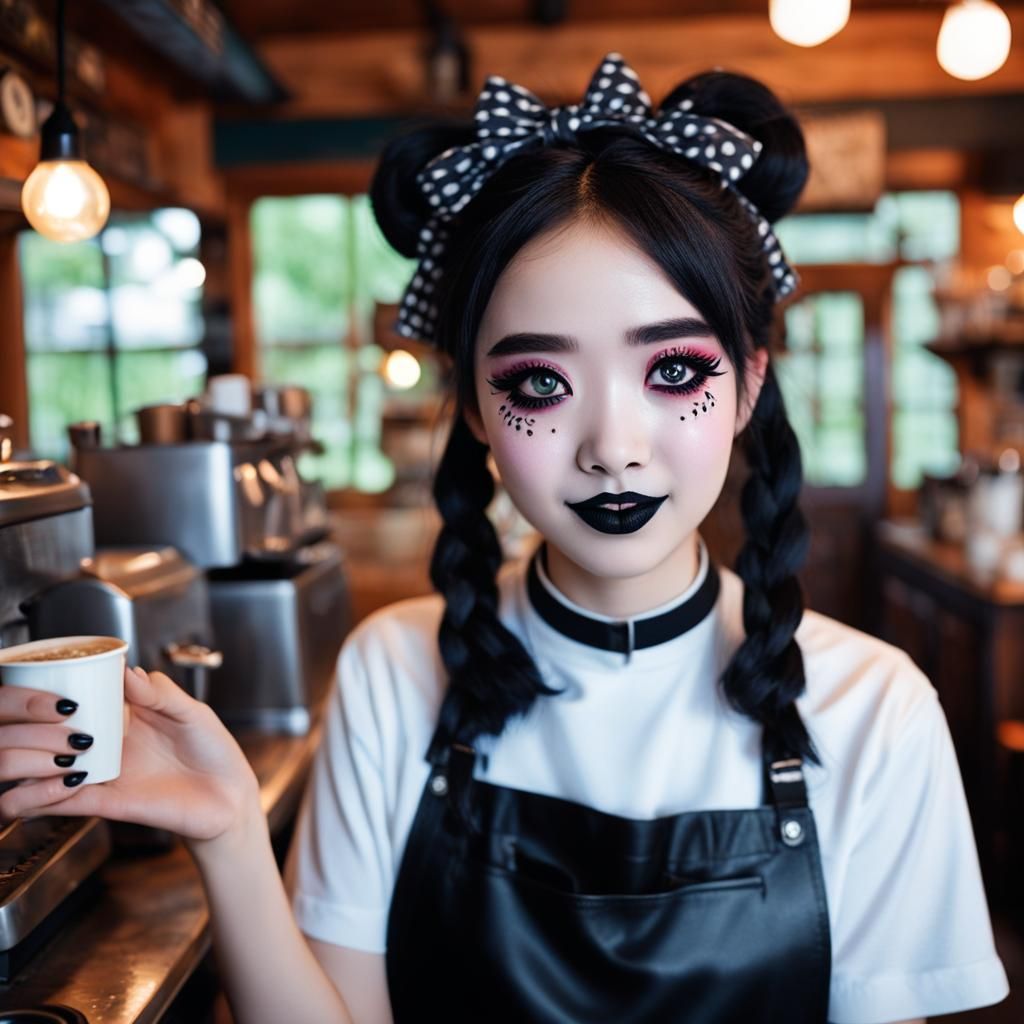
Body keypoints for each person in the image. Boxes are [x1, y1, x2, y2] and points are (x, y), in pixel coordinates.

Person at [0, 54, 1010, 1024]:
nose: (612, 448)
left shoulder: (875, 709)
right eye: (539, 382)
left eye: (673, 372)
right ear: (478, 409)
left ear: (748, 383)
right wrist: (228, 836)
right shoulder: (393, 670)